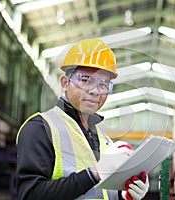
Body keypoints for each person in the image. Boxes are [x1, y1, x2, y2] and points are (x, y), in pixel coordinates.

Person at [16, 38, 149, 200]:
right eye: (85, 80)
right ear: (65, 83)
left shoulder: (104, 140)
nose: (95, 91)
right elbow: (31, 195)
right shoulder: (41, 128)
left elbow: (99, 194)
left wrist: (126, 196)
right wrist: (94, 173)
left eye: (103, 84)